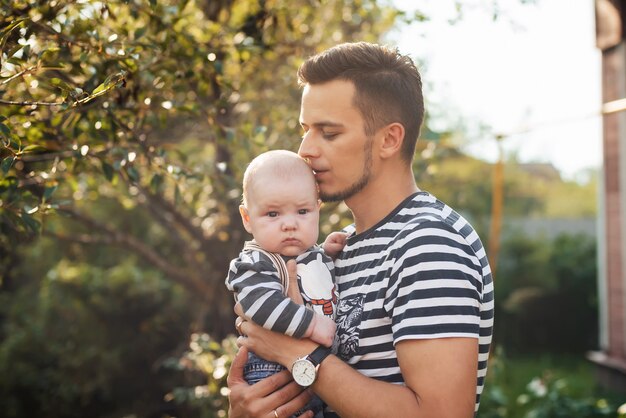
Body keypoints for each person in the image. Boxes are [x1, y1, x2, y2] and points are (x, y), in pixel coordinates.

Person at [227, 41, 494, 418]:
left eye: (329, 133)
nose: (305, 149)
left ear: (389, 139)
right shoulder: (336, 249)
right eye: (305, 129)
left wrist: (295, 353)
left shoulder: (428, 242)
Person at [226, 150, 346, 416]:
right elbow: (261, 304)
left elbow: (309, 277)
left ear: (317, 208)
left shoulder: (310, 253)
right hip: (274, 379)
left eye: (302, 211)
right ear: (247, 218)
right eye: (272, 214)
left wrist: (325, 254)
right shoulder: (255, 261)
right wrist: (312, 325)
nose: (289, 224)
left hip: (322, 378)